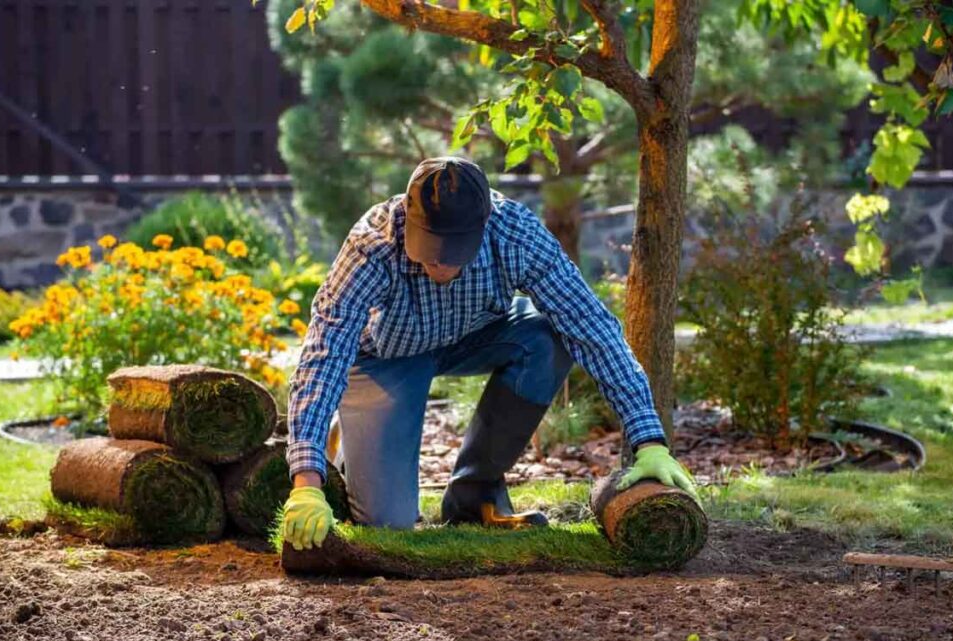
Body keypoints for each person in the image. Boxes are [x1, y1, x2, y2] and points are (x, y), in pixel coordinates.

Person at [281, 156, 697, 551]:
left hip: (476, 334)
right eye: (429, 246)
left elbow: (591, 325)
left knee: (550, 335)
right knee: (388, 524)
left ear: (484, 224)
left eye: (455, 250)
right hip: (387, 357)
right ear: (409, 219)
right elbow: (325, 353)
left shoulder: (514, 232)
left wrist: (649, 440)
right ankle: (341, 444)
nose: (440, 264)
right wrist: (306, 482)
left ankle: (473, 495)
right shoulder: (371, 246)